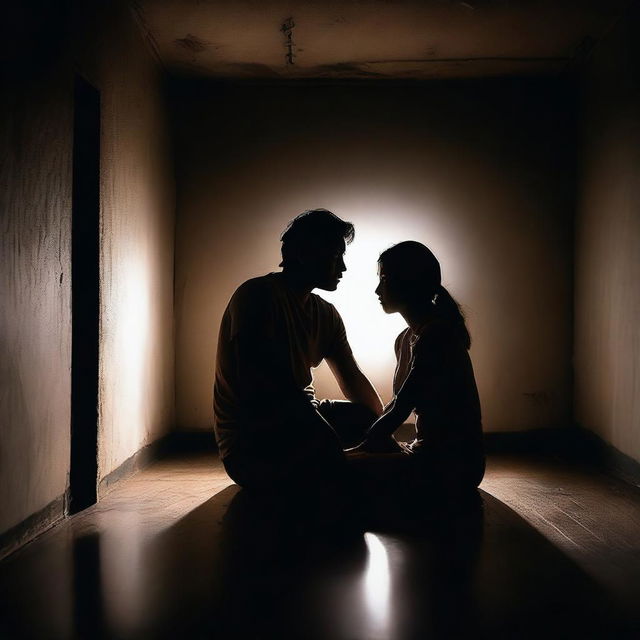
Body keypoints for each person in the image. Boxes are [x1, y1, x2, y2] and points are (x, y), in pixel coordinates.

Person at [213, 209, 383, 496]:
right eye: (335, 256)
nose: (342, 268)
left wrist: (382, 426)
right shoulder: (256, 296)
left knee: (366, 421)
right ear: (304, 254)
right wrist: (330, 447)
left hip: (302, 420)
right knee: (348, 474)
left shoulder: (326, 314)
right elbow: (265, 389)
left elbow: (353, 378)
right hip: (252, 445)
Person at [348, 241, 485, 498]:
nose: (378, 289)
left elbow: (403, 405)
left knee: (333, 470)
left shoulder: (438, 335)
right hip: (422, 453)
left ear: (409, 282)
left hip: (454, 467)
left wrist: (364, 446)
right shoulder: (405, 338)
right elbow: (396, 405)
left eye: (385, 279)